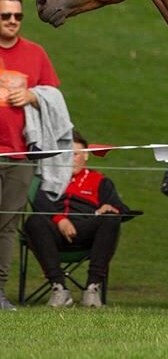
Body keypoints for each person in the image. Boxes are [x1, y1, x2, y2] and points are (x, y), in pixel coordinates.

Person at [0, 0, 61, 311]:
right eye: (5, 16)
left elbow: (53, 97)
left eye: (17, 16)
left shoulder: (35, 54)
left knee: (7, 224)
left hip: (20, 156)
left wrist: (32, 97)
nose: (12, 21)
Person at [23, 129, 131, 308]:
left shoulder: (100, 180)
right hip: (54, 232)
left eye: (75, 154)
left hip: (87, 230)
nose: (71, 159)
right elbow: (39, 202)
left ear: (86, 156)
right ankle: (59, 287)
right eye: (66, 154)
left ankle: (92, 288)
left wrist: (109, 209)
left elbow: (122, 209)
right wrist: (60, 220)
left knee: (111, 219)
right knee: (34, 221)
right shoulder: (50, 178)